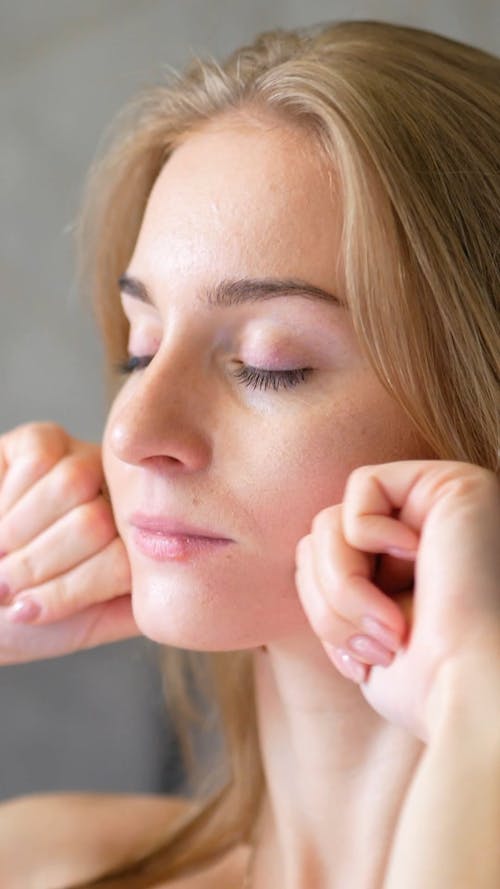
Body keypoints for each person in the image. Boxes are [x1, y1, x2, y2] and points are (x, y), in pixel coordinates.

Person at [0, 17, 498, 889]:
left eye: (271, 364)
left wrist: (481, 707)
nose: (130, 430)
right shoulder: (39, 862)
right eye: (141, 348)